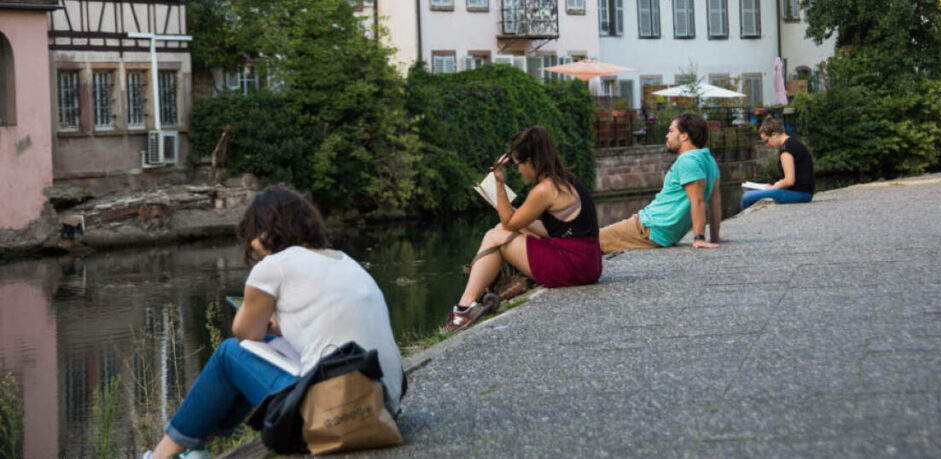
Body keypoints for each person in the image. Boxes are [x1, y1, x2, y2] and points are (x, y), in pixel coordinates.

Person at [142, 185, 403, 459]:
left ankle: (162, 455)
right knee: (268, 344)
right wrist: (280, 326)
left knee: (230, 353)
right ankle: (196, 445)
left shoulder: (274, 265)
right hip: (382, 409)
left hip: (332, 415)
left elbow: (245, 334)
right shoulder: (345, 260)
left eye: (254, 233)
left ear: (264, 231)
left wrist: (266, 314)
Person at [442, 126, 602, 333]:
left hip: (574, 266)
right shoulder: (566, 180)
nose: (518, 170)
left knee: (495, 235)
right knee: (502, 229)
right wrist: (521, 220)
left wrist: (499, 184)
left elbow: (509, 223)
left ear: (532, 161)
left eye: (519, 164)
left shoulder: (544, 189)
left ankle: (463, 309)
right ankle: (469, 304)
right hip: (587, 261)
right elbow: (552, 230)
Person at [599, 113, 722, 252]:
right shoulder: (709, 160)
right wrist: (715, 236)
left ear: (684, 136)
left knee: (592, 241)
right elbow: (715, 200)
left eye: (671, 131)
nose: (667, 135)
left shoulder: (687, 161)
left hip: (649, 228)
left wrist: (699, 238)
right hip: (657, 230)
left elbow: (698, 200)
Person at [740, 117, 815, 209]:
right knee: (750, 195)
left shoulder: (786, 150)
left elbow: (789, 181)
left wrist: (773, 187)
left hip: (800, 194)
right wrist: (773, 186)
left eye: (767, 141)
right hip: (803, 192)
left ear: (774, 135)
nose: (767, 145)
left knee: (746, 197)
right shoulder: (791, 143)